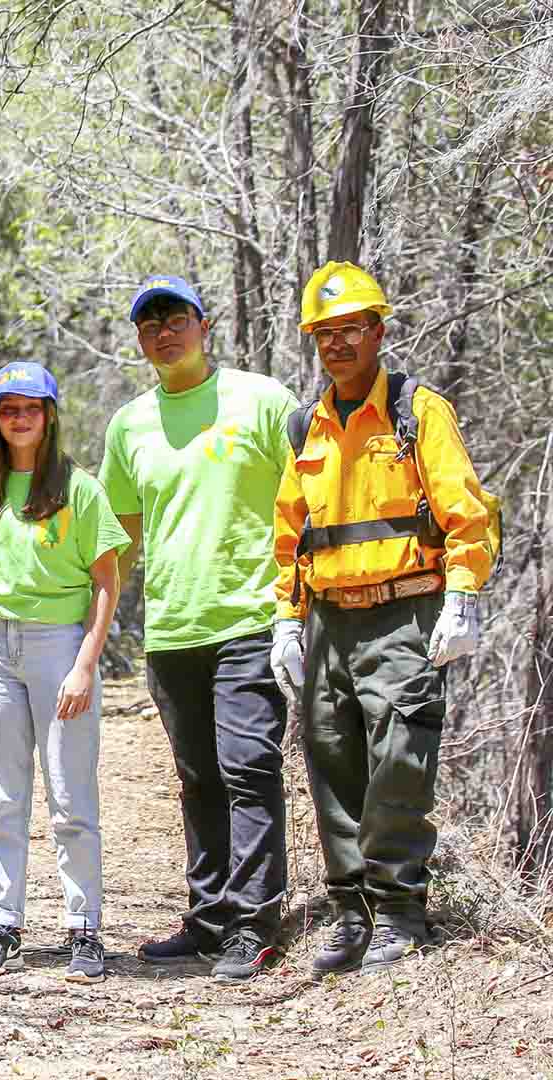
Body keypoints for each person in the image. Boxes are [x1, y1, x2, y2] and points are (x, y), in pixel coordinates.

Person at [270, 262, 494, 973]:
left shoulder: (417, 412)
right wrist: (285, 616)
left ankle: (401, 912)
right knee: (333, 763)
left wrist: (462, 595)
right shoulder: (307, 424)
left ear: (378, 332)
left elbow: (468, 512)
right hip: (328, 620)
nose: (337, 345)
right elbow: (289, 529)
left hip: (404, 614)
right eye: (324, 333)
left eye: (350, 330)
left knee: (399, 762)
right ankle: (350, 915)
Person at [98, 274, 299, 981]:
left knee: (249, 768)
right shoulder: (129, 424)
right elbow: (116, 538)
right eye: (148, 323)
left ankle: (256, 923)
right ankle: (211, 918)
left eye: (174, 317)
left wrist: (299, 610)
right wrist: (77, 622)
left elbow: (306, 499)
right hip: (173, 630)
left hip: (250, 617)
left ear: (202, 324)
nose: (163, 332)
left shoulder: (263, 400)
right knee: (198, 778)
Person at [0, 361, 125, 983]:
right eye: (7, 408)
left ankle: (84, 928)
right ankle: (3, 921)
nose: (19, 418)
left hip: (60, 645)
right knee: (2, 796)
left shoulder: (79, 488)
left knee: (70, 793)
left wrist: (85, 664)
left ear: (50, 414)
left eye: (31, 407)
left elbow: (107, 582)